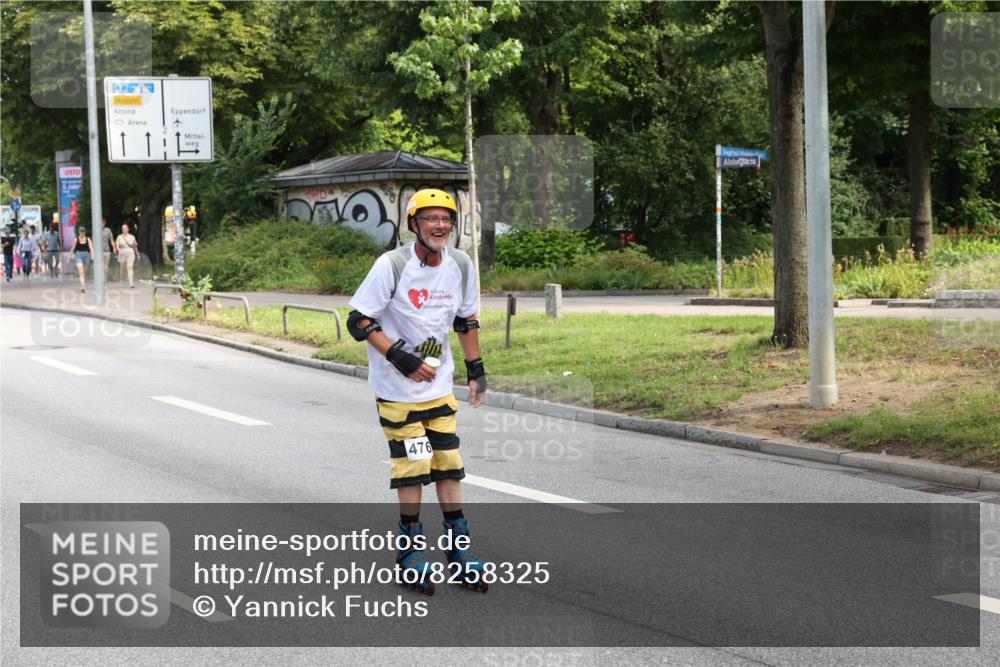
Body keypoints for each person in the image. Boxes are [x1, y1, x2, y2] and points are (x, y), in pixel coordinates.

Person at [348, 188, 488, 596]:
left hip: (439, 389)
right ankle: (409, 553)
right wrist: (400, 358)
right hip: (397, 392)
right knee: (414, 465)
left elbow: (466, 321)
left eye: (445, 218)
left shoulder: (461, 264)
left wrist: (475, 369)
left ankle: (458, 551)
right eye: (430, 218)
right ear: (414, 225)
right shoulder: (391, 265)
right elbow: (359, 320)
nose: (439, 225)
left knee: (447, 464)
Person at [68, 227, 94, 293]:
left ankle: (82, 284)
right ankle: (83, 286)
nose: (82, 233)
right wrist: (69, 258)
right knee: (81, 272)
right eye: (81, 231)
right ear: (79, 232)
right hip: (78, 255)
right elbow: (72, 249)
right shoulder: (76, 240)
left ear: (85, 232)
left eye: (83, 231)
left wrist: (92, 255)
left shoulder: (88, 239)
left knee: (84, 272)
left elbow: (91, 247)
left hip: (86, 255)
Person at [115, 223, 139, 288]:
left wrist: (137, 254)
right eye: (122, 228)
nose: (124, 229)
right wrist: (119, 250)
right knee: (122, 269)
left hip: (130, 252)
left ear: (128, 229)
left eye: (125, 228)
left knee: (130, 267)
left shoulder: (132, 237)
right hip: (122, 252)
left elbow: (135, 246)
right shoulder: (119, 237)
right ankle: (121, 281)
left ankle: (131, 283)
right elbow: (117, 245)